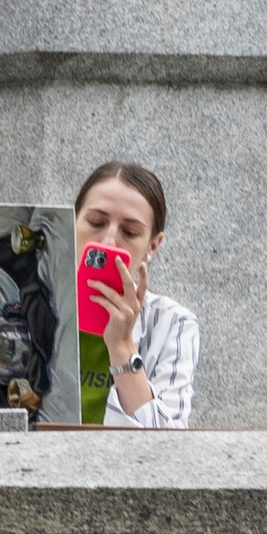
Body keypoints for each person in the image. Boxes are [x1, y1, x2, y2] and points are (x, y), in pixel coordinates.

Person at [74, 159, 197, 429]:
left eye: (129, 232)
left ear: (152, 246)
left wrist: (122, 347)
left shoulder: (173, 323)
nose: (107, 241)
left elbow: (167, 440)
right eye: (95, 222)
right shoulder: (36, 302)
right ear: (72, 224)